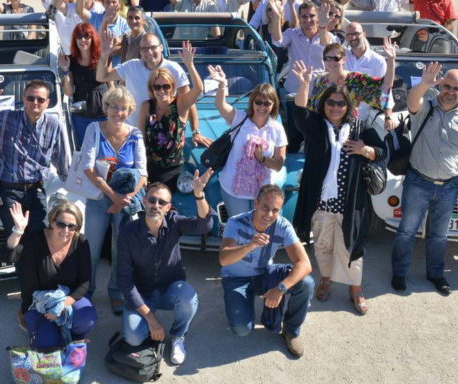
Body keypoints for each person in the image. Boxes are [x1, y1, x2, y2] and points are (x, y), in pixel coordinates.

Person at [290, 62, 387, 315]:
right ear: (323, 105)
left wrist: (365, 150)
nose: (335, 107)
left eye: (340, 104)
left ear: (348, 107)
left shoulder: (359, 128)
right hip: (321, 202)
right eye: (330, 103)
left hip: (350, 201)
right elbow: (299, 111)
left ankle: (355, 289)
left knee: (350, 246)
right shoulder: (315, 127)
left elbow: (382, 153)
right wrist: (303, 84)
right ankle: (326, 279)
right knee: (322, 245)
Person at [390, 62, 458, 296]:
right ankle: (399, 274)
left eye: (456, 88)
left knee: (439, 235)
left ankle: (436, 274)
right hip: (418, 181)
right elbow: (412, 101)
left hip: (449, 187)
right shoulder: (425, 108)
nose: (450, 92)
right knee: (406, 231)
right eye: (447, 86)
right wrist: (424, 84)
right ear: (440, 85)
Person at [117, 177, 213, 365]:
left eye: (162, 202)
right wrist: (151, 319)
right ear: (144, 201)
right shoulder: (128, 232)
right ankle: (147, 321)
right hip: (141, 294)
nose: (156, 205)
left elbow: (205, 225)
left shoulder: (174, 222)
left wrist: (199, 195)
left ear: (168, 207)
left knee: (188, 296)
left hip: (169, 290)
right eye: (152, 200)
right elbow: (124, 281)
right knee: (134, 338)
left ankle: (178, 336)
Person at [219, 184, 315, 357]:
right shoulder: (235, 222)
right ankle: (240, 302)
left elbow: (305, 264)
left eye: (275, 210)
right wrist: (250, 245)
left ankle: (291, 330)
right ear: (256, 203)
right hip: (236, 278)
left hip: (265, 274)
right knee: (242, 329)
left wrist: (280, 288)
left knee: (306, 282)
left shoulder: (283, 225)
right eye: (265, 208)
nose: (269, 214)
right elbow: (224, 259)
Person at [80, 86, 148, 312]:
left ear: (130, 110)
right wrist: (113, 196)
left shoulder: (135, 134)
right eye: (114, 107)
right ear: (106, 107)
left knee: (121, 249)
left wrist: (124, 198)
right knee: (91, 248)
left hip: (126, 202)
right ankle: (85, 291)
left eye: (124, 109)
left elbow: (143, 173)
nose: (118, 112)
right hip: (100, 198)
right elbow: (87, 168)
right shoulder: (94, 129)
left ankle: (116, 291)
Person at [0, 79, 69, 259]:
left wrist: (72, 186)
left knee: (41, 238)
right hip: (9, 191)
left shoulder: (55, 124)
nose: (35, 103)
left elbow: (62, 160)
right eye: (30, 98)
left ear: (47, 103)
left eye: (40, 100)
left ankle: (36, 282)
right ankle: (23, 280)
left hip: (36, 190)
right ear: (23, 99)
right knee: (15, 238)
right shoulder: (6, 118)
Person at [8, 200, 96, 348]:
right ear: (52, 222)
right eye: (61, 224)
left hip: (67, 297)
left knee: (86, 320)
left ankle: (68, 332)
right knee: (48, 344)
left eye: (71, 226)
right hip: (38, 301)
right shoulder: (36, 239)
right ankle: (35, 322)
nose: (66, 230)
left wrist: (62, 304)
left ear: (77, 228)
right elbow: (8, 256)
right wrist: (18, 231)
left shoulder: (81, 242)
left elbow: (84, 282)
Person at [206, 69, 288, 217]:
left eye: (267, 103)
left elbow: (278, 165)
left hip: (264, 190)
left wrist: (261, 158)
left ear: (273, 105)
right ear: (252, 102)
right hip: (234, 187)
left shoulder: (277, 128)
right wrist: (222, 85)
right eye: (258, 102)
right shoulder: (239, 118)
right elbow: (220, 104)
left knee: (261, 229)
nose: (262, 107)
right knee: (240, 229)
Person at [137, 42, 204, 187]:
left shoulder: (180, 105)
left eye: (166, 86)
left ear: (172, 87)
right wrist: (141, 169)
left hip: (173, 171)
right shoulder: (146, 106)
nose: (161, 91)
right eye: (157, 87)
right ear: (151, 89)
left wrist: (190, 65)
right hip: (149, 168)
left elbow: (198, 89)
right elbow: (140, 139)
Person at [269, 1, 337, 93]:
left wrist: (323, 27)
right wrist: (277, 17)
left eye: (312, 16)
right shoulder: (292, 34)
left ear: (318, 17)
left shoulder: (328, 36)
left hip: (319, 91)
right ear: (299, 17)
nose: (308, 19)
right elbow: (277, 41)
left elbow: (325, 45)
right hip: (294, 89)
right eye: (304, 16)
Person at [59, 22, 105, 145]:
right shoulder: (70, 60)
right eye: (79, 36)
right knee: (84, 149)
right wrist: (66, 70)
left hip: (103, 113)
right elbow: (68, 92)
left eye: (86, 36)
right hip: (81, 115)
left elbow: (111, 86)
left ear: (93, 38)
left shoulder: (103, 57)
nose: (83, 40)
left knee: (105, 151)